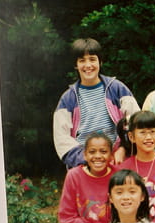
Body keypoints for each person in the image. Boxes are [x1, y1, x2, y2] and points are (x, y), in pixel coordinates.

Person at [53, 37, 140, 168]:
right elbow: (61, 138)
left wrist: (124, 148)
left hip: (117, 161)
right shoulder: (68, 99)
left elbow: (136, 121)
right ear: (76, 65)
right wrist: (86, 158)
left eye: (92, 59)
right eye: (82, 60)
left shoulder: (117, 89)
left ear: (100, 62)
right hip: (84, 164)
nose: (88, 65)